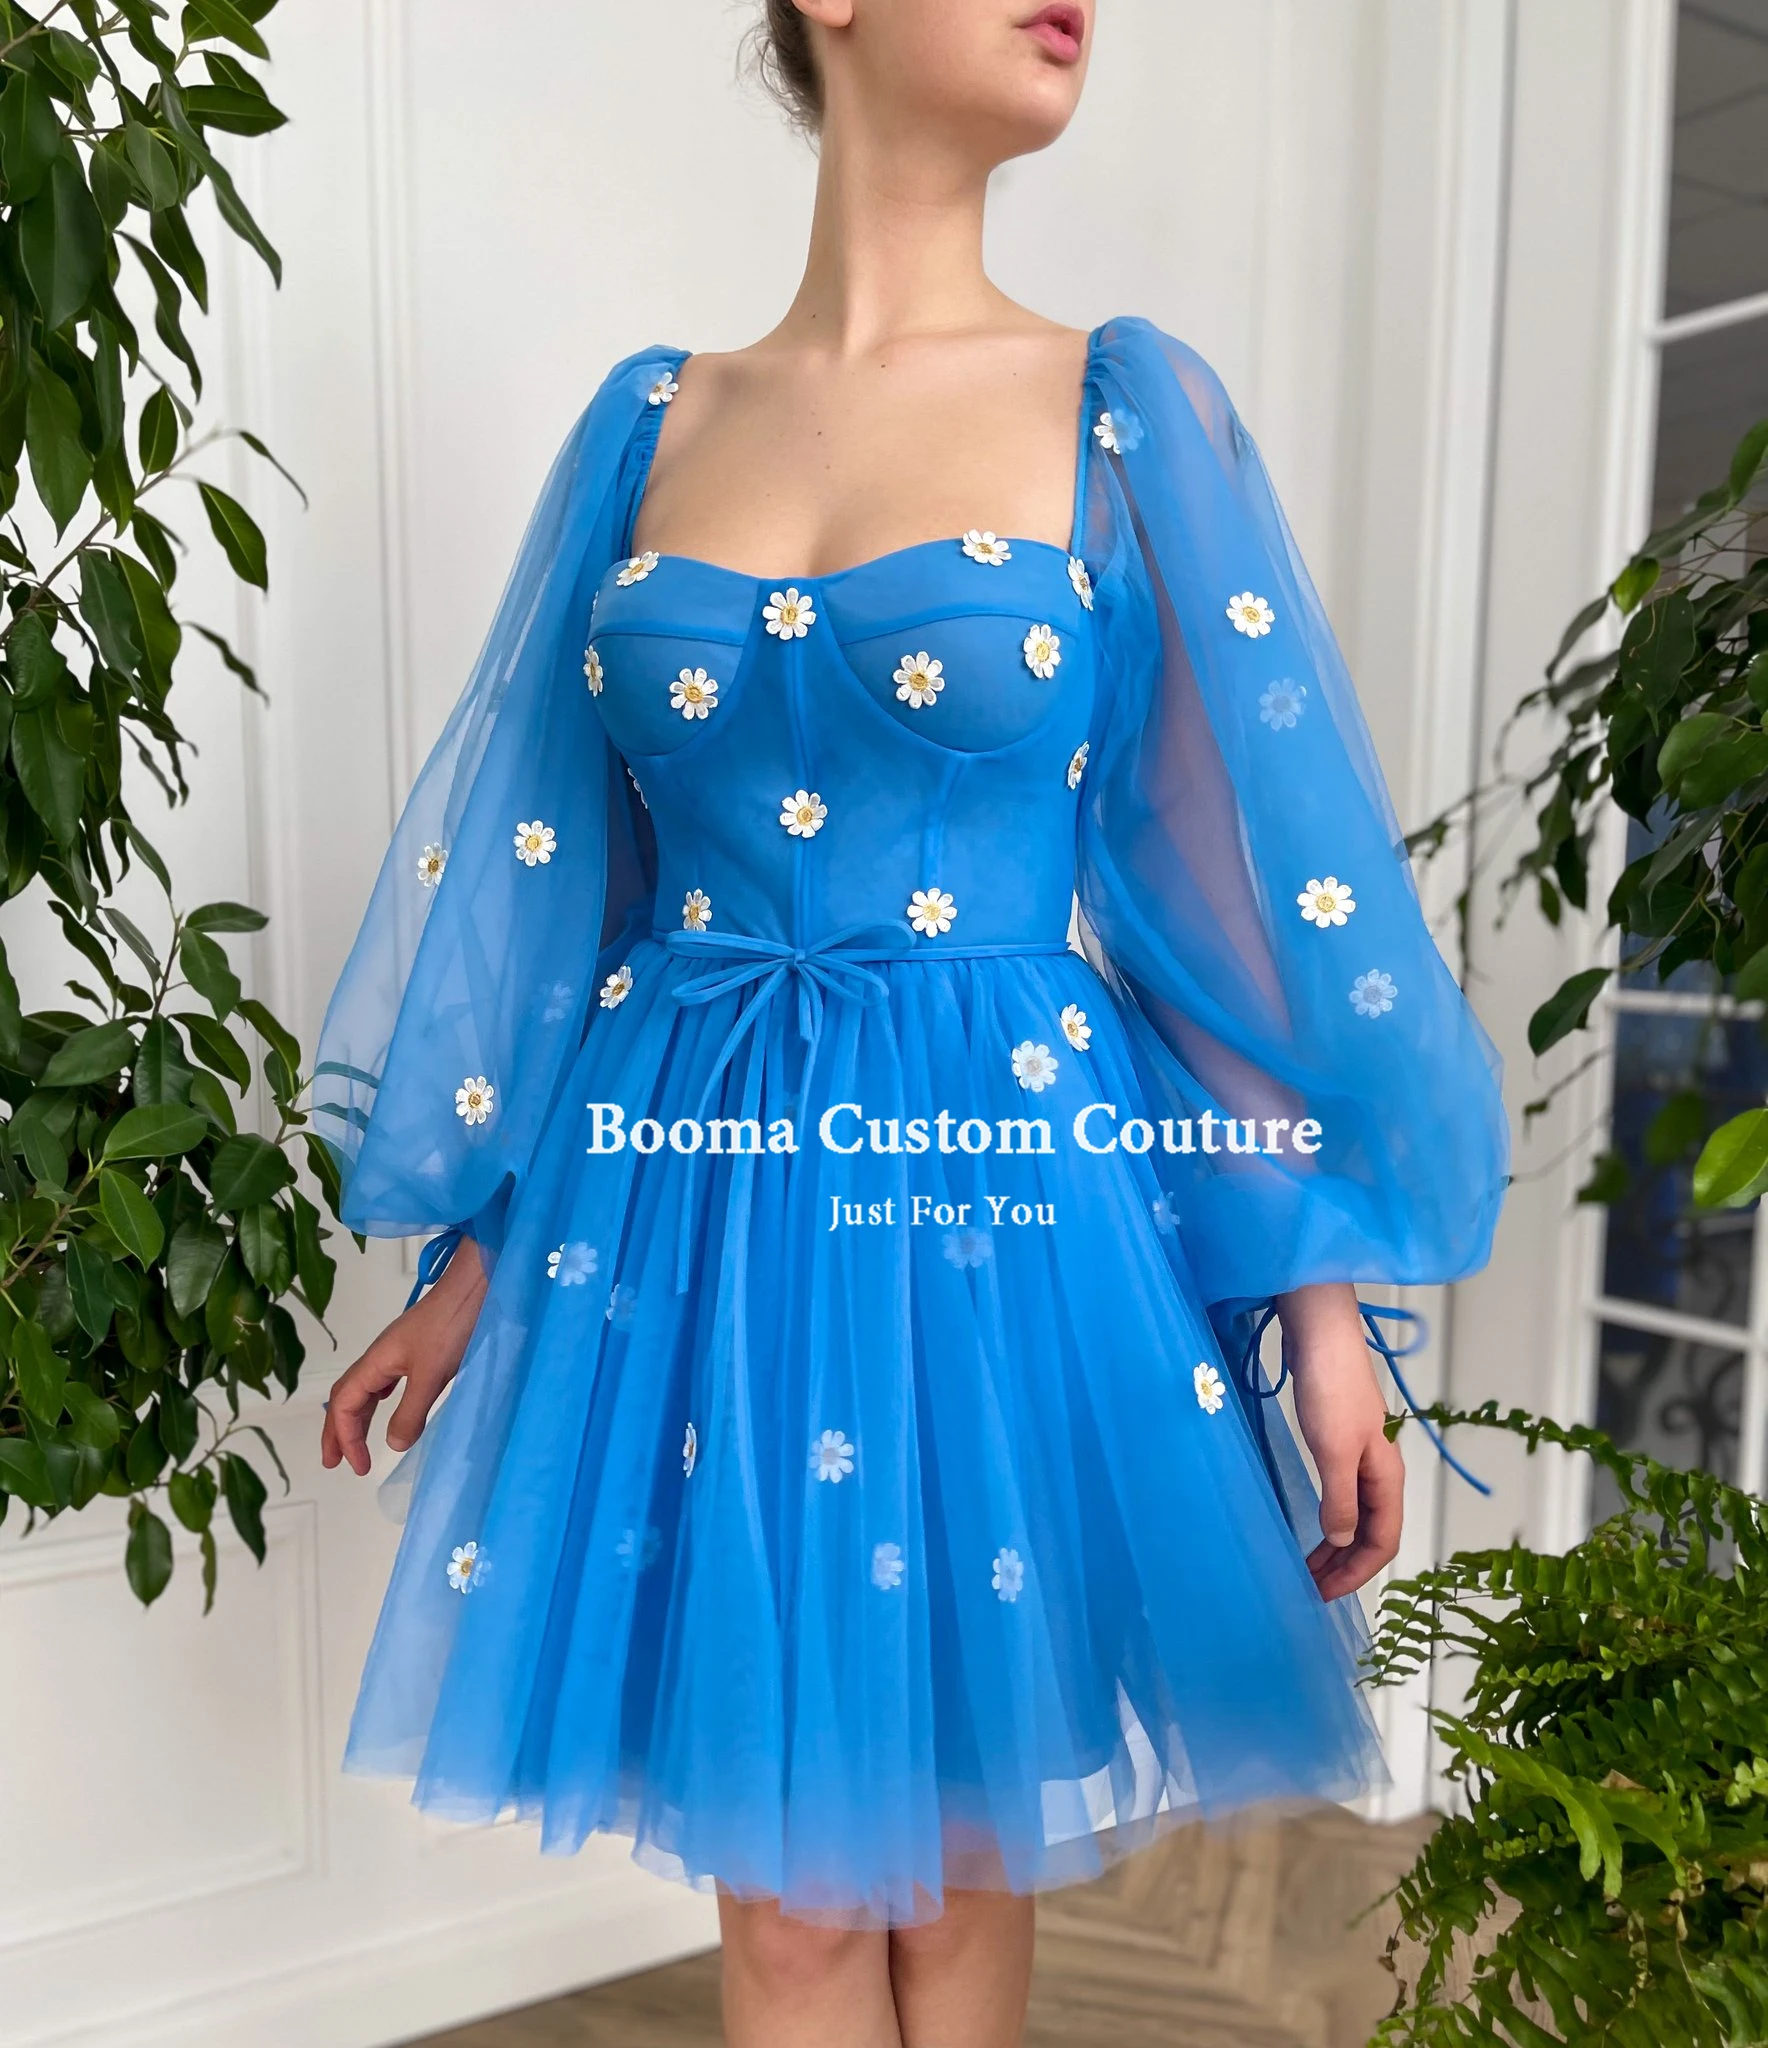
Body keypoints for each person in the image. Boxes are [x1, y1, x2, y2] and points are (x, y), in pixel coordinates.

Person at [314, 3, 1508, 2043]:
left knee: (956, 1871)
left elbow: (1231, 905)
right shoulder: (645, 426)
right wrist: (479, 1249)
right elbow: (564, 885)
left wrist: (1321, 1304)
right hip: (692, 1220)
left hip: (995, 1213)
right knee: (787, 1911)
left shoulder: (1120, 408)